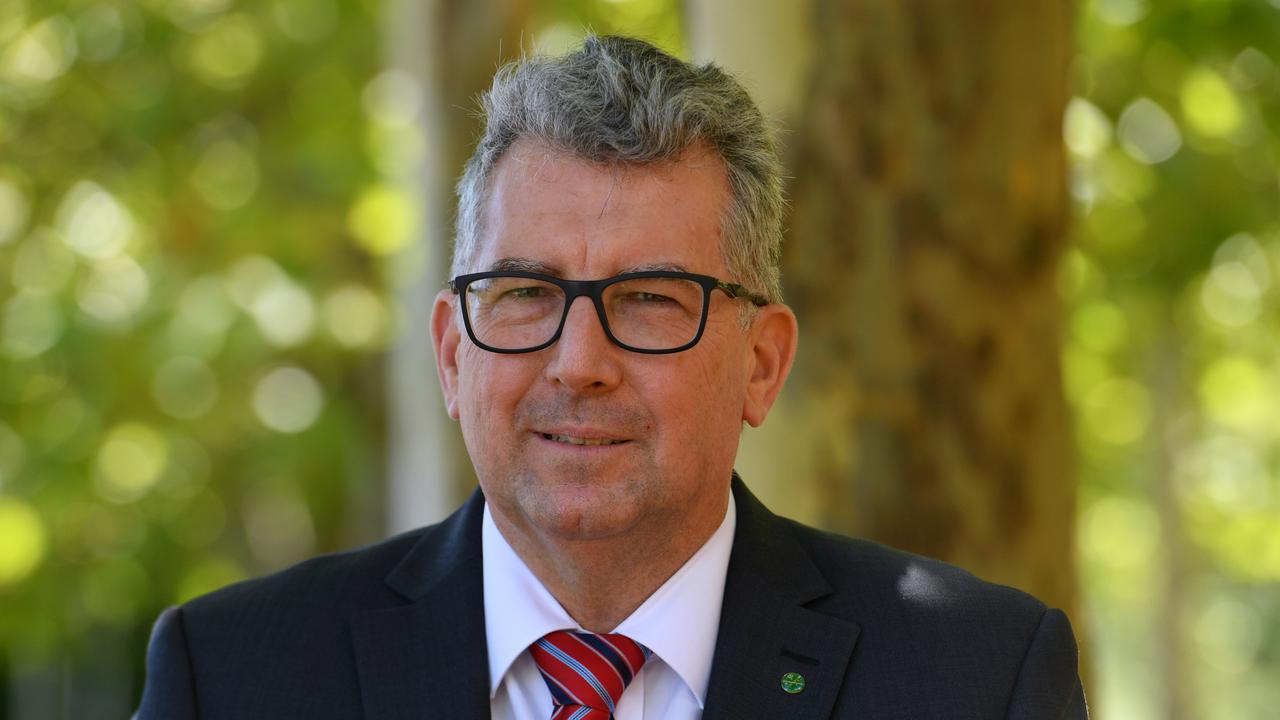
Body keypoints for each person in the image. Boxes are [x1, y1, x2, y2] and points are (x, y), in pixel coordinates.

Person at [136, 35, 1087, 719]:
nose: (579, 364)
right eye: (525, 292)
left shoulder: (976, 678)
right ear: (452, 354)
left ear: (762, 365)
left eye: (650, 299)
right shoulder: (229, 678)